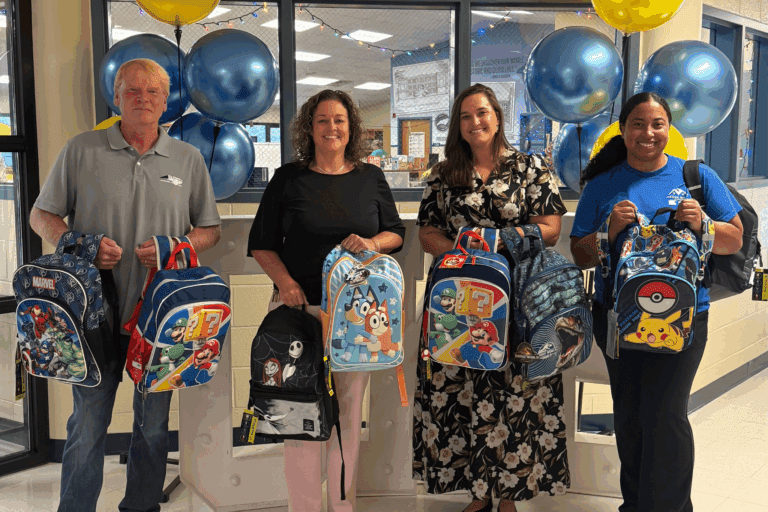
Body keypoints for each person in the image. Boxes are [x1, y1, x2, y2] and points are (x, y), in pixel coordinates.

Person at [29, 58, 222, 512]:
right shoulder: (82, 149)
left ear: (165, 101)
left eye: (153, 92)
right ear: (115, 98)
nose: (143, 100)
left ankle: (141, 506)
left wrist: (176, 246)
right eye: (132, 91)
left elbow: (210, 230)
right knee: (89, 426)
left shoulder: (188, 159)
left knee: (153, 429)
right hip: (92, 318)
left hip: (160, 320)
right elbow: (42, 215)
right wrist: (79, 244)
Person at [570, 92, 743, 512]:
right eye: (638, 124)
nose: (648, 133)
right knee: (629, 418)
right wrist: (607, 233)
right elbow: (578, 253)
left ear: (669, 129)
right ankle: (636, 505)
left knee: (666, 417)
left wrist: (704, 222)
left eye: (658, 124)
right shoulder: (603, 184)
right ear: (623, 130)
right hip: (616, 318)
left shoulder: (697, 177)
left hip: (684, 319)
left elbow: (735, 239)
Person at [413, 83, 569, 512]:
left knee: (516, 392)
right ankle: (479, 493)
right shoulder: (444, 175)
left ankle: (508, 497)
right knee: (460, 387)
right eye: (465, 116)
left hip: (517, 302)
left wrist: (499, 240)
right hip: (456, 304)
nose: (475, 122)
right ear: (458, 127)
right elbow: (426, 233)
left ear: (498, 117)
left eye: (482, 113)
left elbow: (552, 228)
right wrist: (461, 250)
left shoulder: (530, 167)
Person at [247, 89, 405, 512]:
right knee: (297, 414)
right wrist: (286, 284)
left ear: (350, 127)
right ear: (309, 128)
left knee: (347, 417)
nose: (331, 128)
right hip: (298, 314)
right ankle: (303, 507)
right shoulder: (288, 179)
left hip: (356, 317)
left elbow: (396, 233)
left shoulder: (370, 178)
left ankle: (341, 503)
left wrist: (372, 242)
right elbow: (261, 244)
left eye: (339, 120)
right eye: (322, 120)